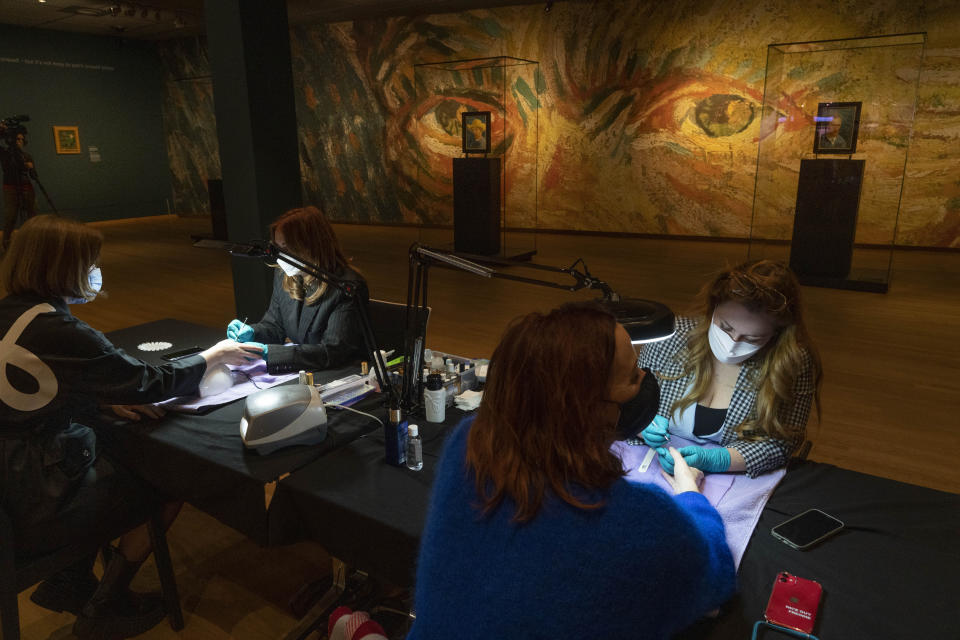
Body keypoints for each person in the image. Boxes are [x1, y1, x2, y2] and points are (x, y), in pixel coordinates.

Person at [0, 214, 261, 639]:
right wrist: (214, 356)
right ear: (61, 266)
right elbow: (148, 382)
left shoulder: (12, 315)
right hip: (32, 496)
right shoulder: (56, 328)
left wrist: (97, 398)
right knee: (168, 479)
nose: (95, 272)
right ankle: (107, 603)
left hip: (11, 488)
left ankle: (71, 581)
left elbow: (27, 393)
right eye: (90, 263)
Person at [409, 302, 735, 639]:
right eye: (633, 374)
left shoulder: (469, 442)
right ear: (588, 408)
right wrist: (691, 498)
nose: (643, 379)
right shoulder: (642, 521)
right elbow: (715, 578)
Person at [628, 259, 822, 478]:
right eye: (725, 327)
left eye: (752, 338)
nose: (733, 344)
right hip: (645, 460)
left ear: (777, 334)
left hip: (731, 477)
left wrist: (717, 460)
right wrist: (642, 425)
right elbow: (625, 401)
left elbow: (780, 443)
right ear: (713, 309)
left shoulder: (792, 364)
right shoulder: (670, 338)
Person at [226, 206, 368, 374]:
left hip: (339, 374)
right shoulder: (284, 276)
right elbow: (275, 325)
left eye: (287, 247)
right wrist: (252, 333)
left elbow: (333, 352)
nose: (280, 256)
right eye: (278, 248)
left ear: (312, 244)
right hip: (305, 372)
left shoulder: (346, 287)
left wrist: (269, 353)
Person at [0, 123, 38, 251]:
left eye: (22, 139)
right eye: (17, 139)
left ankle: (34, 241)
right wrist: (3, 131)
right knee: (11, 216)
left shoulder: (27, 156)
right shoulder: (5, 154)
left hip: (26, 187)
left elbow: (34, 176)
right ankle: (6, 242)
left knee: (32, 214)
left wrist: (31, 167)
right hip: (10, 188)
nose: (20, 142)